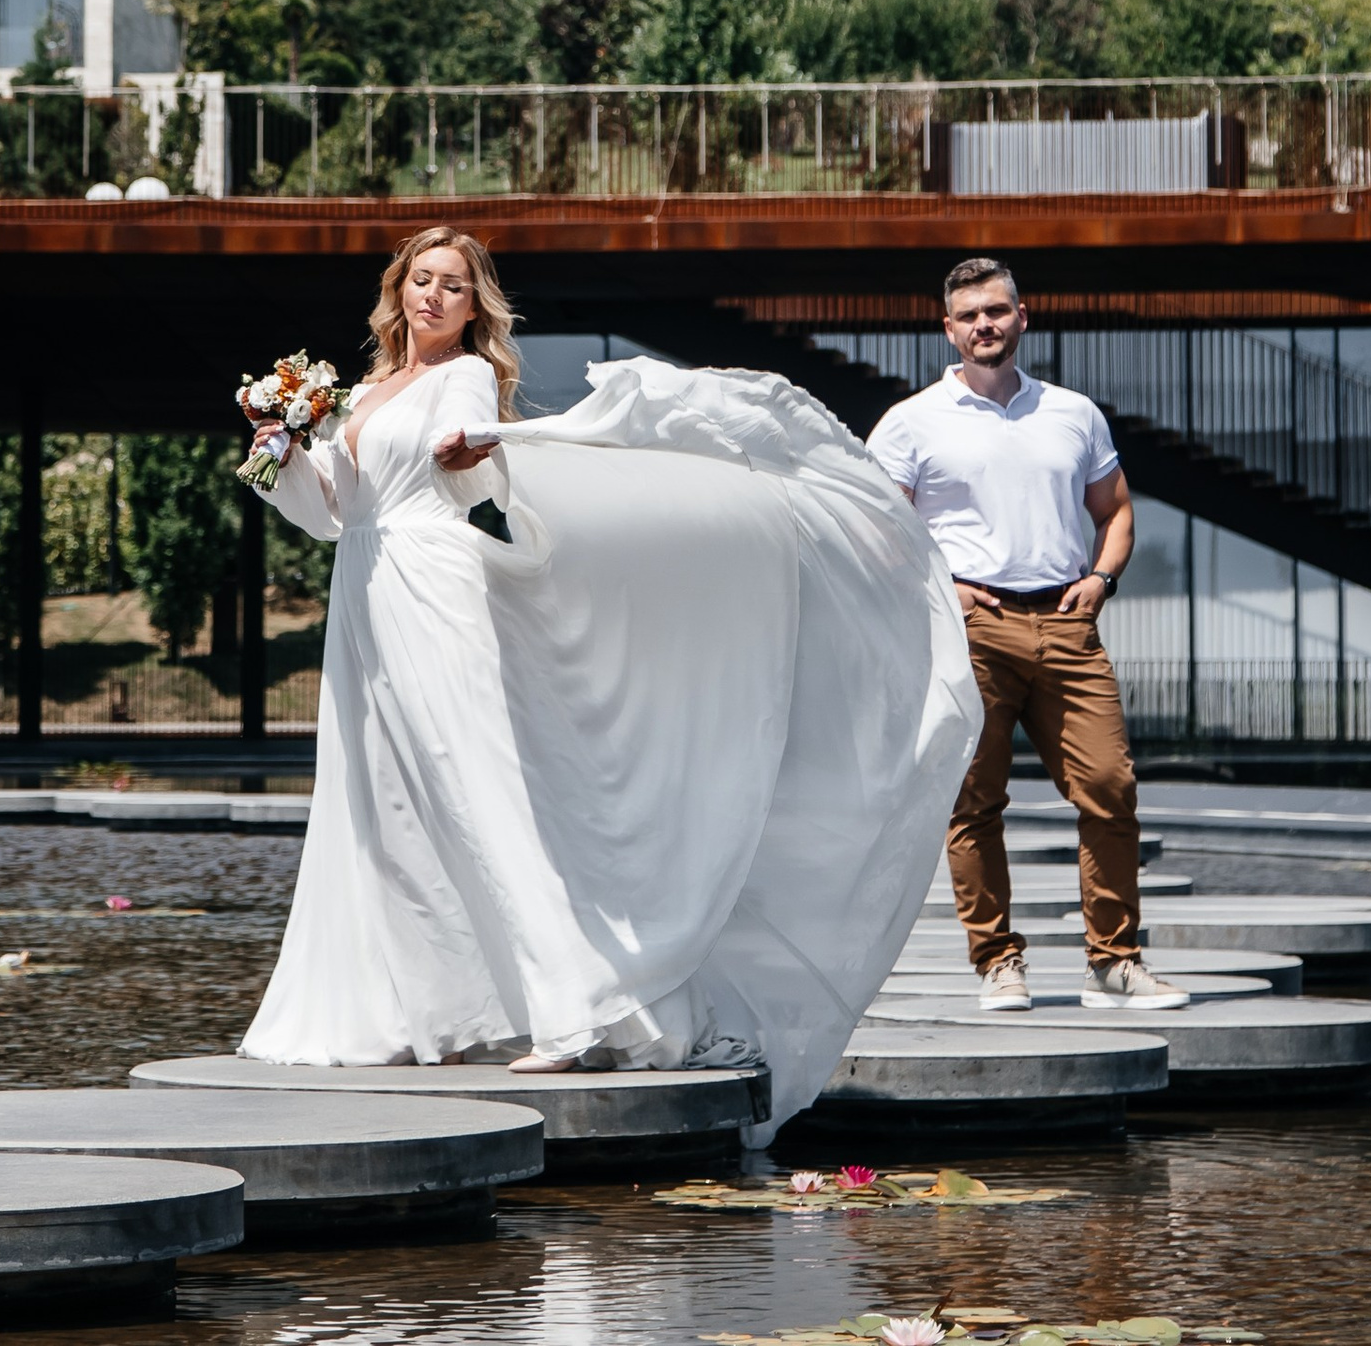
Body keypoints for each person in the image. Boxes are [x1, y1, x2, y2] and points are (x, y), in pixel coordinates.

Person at [238, 223, 981, 1136]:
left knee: (481, 793)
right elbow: (334, 516)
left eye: (453, 287)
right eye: (422, 280)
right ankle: (404, 1013)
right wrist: (278, 452)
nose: (433, 296)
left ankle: (577, 1007)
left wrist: (480, 467)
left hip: (435, 591)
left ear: (475, 309)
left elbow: (474, 491)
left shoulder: (463, 379)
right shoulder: (365, 389)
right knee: (381, 804)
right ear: (398, 289)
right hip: (365, 592)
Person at [868, 255, 1188, 1012]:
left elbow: (1115, 510)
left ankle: (1113, 964)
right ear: (948, 329)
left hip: (1068, 623)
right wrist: (944, 589)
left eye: (998, 310)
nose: (986, 324)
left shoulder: (1072, 413)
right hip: (972, 630)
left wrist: (1102, 580)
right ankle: (997, 964)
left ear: (1023, 316)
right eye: (970, 315)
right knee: (974, 802)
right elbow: (876, 531)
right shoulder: (912, 422)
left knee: (1111, 788)